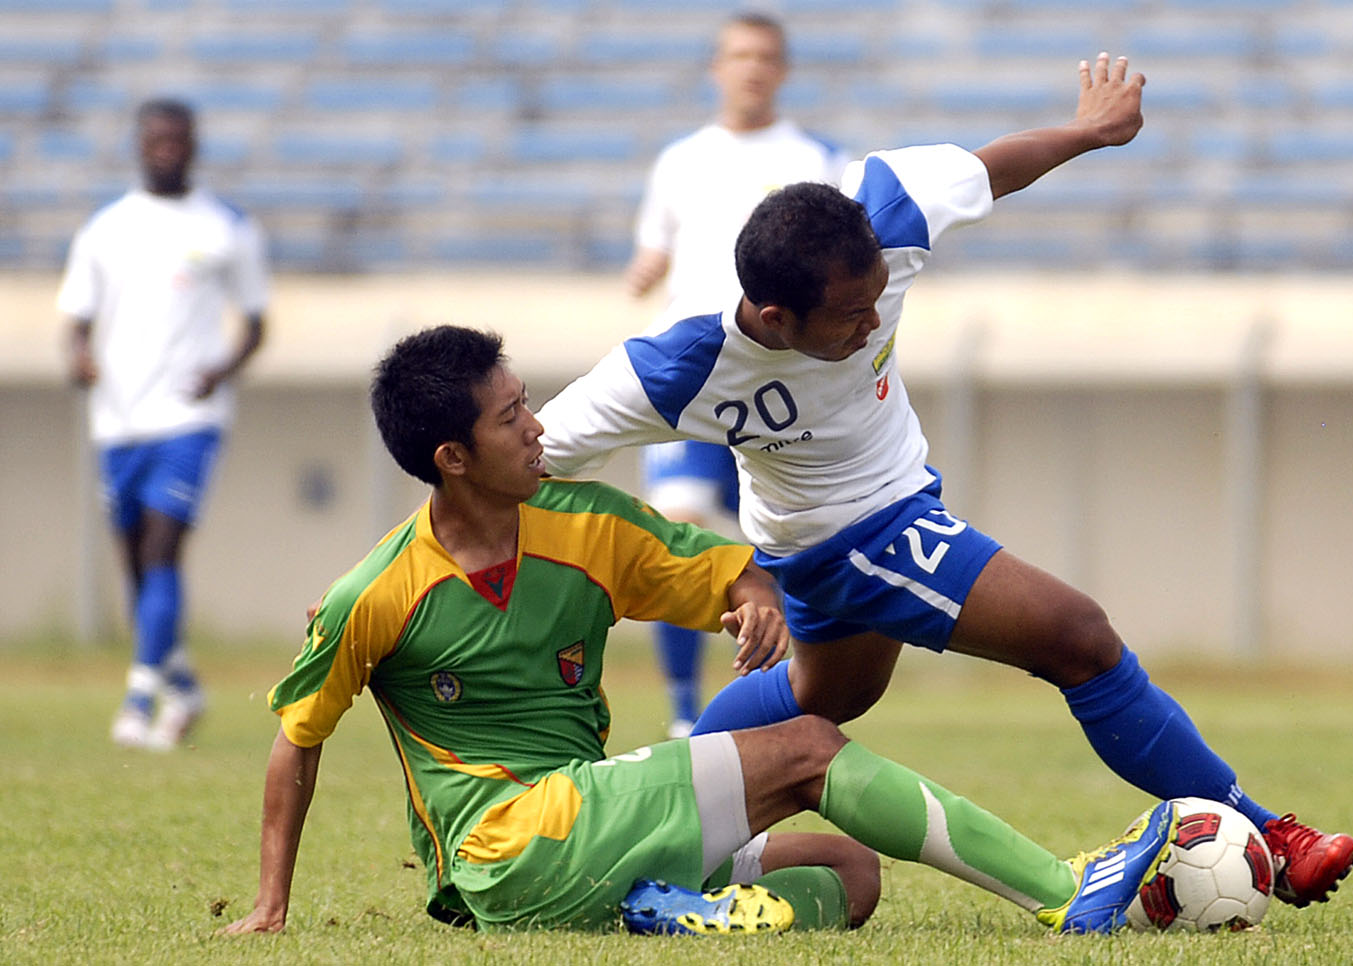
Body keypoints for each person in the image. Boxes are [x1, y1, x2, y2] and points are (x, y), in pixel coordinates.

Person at [535, 53, 1353, 911]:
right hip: (846, 537)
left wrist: (1087, 131)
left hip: (880, 507)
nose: (870, 323)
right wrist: (688, 563)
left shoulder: (884, 209)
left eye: (876, 301)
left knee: (827, 697)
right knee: (1076, 636)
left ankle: (645, 811)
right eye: (847, 317)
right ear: (775, 319)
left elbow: (992, 167)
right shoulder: (678, 366)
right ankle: (1272, 834)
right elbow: (529, 458)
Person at [223, 325, 1179, 938]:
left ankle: (667, 918)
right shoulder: (376, 591)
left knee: (847, 876)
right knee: (808, 747)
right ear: (452, 458)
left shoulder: (587, 523)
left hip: (584, 825)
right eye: (512, 416)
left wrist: (758, 595)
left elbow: (731, 567)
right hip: (505, 845)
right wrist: (271, 905)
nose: (537, 426)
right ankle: (1065, 892)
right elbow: (294, 744)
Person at [625, 11, 850, 738]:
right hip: (691, 381)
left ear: (780, 70)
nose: (751, 67)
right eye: (738, 55)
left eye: (764, 56)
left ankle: (784, 698)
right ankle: (686, 715)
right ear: (716, 68)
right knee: (678, 524)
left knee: (789, 543)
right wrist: (647, 268)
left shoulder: (821, 159)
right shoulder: (678, 161)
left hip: (781, 387)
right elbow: (657, 248)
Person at [59, 97, 267, 751]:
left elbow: (256, 323)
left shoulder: (228, 227)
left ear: (194, 144)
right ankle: (183, 689)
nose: (167, 147)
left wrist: (219, 371)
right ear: (140, 144)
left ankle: (138, 699)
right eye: (156, 138)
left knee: (162, 551)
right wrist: (81, 360)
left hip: (189, 417)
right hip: (117, 422)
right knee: (137, 573)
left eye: (178, 138)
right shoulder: (105, 229)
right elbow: (76, 321)